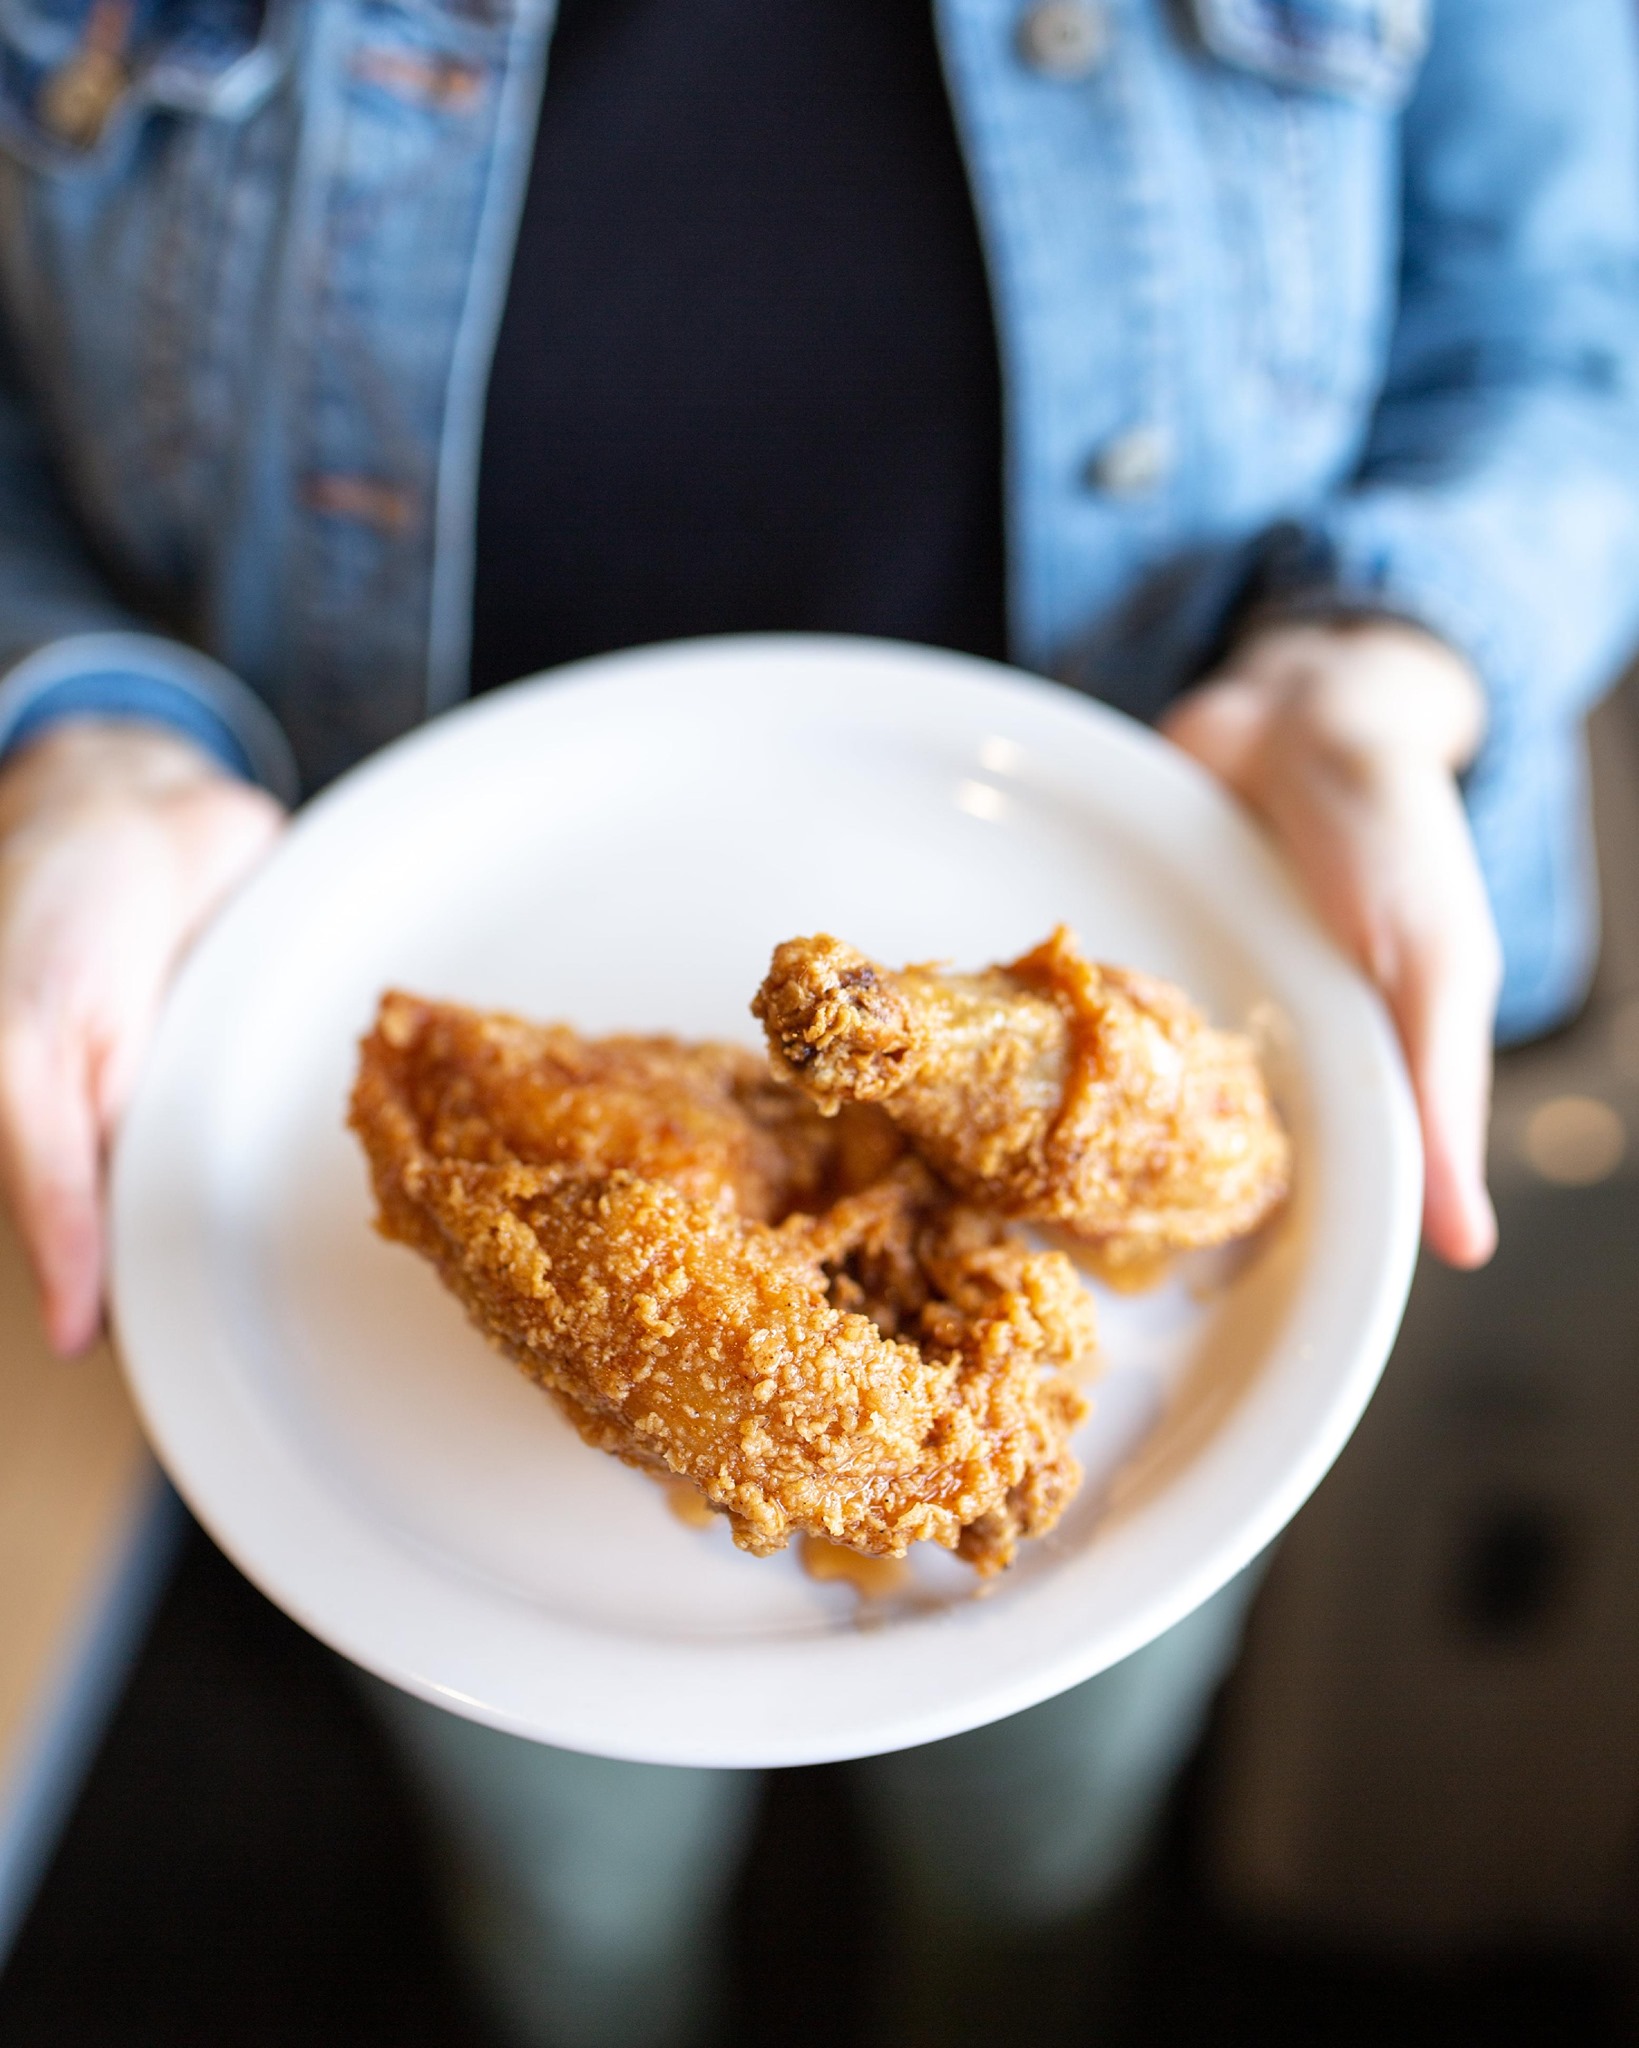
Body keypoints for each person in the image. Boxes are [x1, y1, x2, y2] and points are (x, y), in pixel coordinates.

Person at [0, 0, 1635, 2041]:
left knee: (1041, 1852)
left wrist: (1389, 655)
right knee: (564, 1891)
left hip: (1192, 930)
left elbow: (1568, 331)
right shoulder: (439, 1088)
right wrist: (82, 729)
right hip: (337, 943)